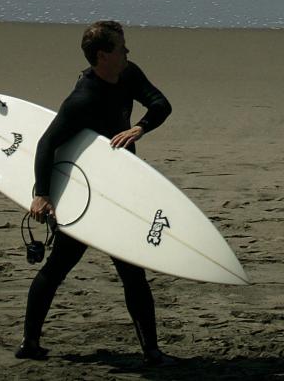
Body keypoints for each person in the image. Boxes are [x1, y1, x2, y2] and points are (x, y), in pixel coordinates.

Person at [16, 20, 173, 364]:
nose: (127, 52)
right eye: (121, 47)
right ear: (103, 55)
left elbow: (161, 105)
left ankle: (152, 350)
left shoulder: (128, 74)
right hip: (85, 195)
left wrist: (140, 127)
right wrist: (42, 194)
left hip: (119, 188)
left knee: (132, 271)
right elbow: (47, 144)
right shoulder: (82, 99)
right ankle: (30, 343)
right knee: (60, 266)